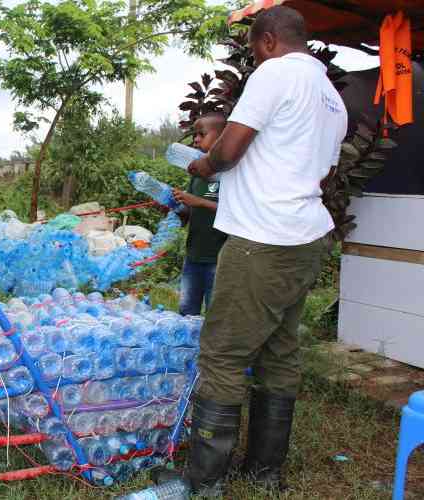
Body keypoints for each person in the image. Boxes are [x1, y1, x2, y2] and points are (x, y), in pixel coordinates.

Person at [177, 6, 348, 496]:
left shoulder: (276, 74)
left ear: (268, 40)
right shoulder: (331, 98)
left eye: (253, 48)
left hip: (262, 241)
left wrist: (205, 165)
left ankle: (205, 481)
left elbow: (228, 151)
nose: (254, 57)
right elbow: (323, 173)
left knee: (224, 354)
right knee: (279, 349)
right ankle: (264, 472)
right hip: (306, 235)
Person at [171, 113, 227, 316]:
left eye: (201, 134)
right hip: (193, 256)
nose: (195, 139)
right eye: (195, 135)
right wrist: (177, 206)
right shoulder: (197, 175)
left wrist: (198, 202)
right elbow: (189, 211)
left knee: (216, 315)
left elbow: (235, 209)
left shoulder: (230, 175)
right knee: (186, 311)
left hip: (219, 258)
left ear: (221, 138)